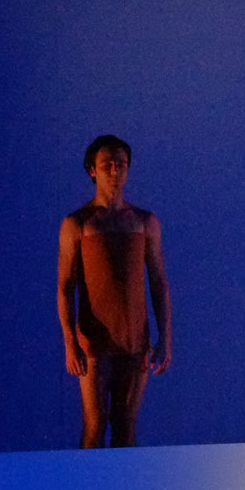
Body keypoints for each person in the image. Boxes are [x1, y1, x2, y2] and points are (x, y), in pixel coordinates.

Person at [56, 135, 172, 447]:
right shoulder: (78, 223)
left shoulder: (144, 222)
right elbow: (66, 286)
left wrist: (165, 338)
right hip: (94, 342)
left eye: (120, 164)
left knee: (126, 425)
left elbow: (159, 281)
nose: (114, 170)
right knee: (94, 425)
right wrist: (70, 342)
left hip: (135, 339)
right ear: (92, 170)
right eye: (107, 165)